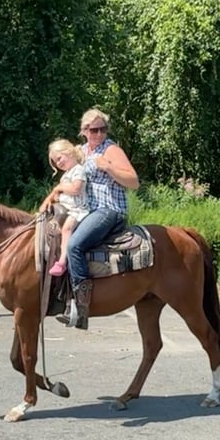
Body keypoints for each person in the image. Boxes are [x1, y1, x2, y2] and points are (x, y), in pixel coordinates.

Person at [42, 108, 140, 330]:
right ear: (84, 131)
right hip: (85, 211)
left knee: (75, 244)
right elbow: (66, 168)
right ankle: (58, 296)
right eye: (94, 130)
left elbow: (134, 182)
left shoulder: (111, 149)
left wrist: (108, 167)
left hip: (108, 209)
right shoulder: (81, 152)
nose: (99, 134)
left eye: (102, 129)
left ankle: (82, 308)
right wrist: (53, 195)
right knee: (57, 237)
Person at [43, 139, 89, 277]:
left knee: (67, 228)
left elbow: (76, 189)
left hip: (78, 210)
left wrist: (60, 188)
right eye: (56, 162)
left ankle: (62, 262)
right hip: (69, 209)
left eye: (59, 158)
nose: (59, 163)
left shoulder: (78, 170)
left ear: (69, 152)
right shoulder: (67, 174)